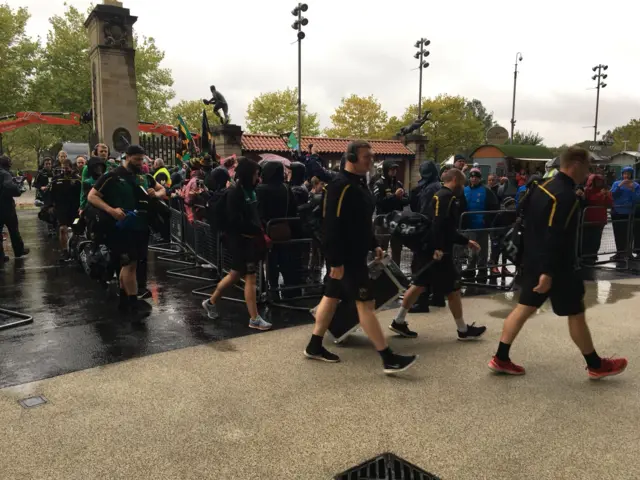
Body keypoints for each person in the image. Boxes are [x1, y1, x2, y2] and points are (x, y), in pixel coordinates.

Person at [488, 147, 627, 378]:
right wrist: (548, 272)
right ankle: (595, 365)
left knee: (524, 309)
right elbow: (555, 234)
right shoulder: (565, 194)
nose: (588, 172)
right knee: (575, 313)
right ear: (576, 164)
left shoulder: (540, 186)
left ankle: (501, 357)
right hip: (557, 267)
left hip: (533, 260)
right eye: (588, 166)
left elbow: (525, 218)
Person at [304, 141, 418, 374]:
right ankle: (388, 358)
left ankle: (314, 345)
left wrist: (374, 244)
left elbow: (362, 223)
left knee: (331, 297)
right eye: (367, 157)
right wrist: (335, 261)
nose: (371, 161)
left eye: (372, 157)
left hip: (353, 255)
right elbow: (331, 227)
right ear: (352, 158)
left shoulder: (359, 184)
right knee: (365, 305)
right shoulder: (340, 185)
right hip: (346, 258)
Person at [391, 168, 487, 340]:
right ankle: (463, 330)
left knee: (419, 285)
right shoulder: (446, 197)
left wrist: (465, 241)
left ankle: (398, 321)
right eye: (463, 182)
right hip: (440, 252)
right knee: (453, 289)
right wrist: (438, 248)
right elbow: (439, 225)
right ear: (456, 179)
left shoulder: (441, 195)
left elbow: (443, 227)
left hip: (432, 249)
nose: (463, 186)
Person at [88, 145, 165, 314]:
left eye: (141, 159)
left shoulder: (144, 176)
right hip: (121, 228)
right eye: (136, 159)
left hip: (141, 226)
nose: (140, 162)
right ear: (127, 157)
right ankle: (133, 302)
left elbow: (162, 189)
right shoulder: (112, 176)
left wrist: (156, 194)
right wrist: (111, 210)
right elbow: (92, 196)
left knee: (131, 264)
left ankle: (124, 300)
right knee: (129, 264)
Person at [202, 158, 273, 331]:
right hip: (241, 241)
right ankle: (254, 318)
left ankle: (210, 302)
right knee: (251, 277)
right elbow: (234, 220)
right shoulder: (236, 193)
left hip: (247, 240)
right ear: (249, 175)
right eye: (256, 174)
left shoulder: (250, 190)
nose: (259, 177)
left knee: (234, 275)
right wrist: (254, 230)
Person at [256, 160, 299, 298]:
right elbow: (293, 209)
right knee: (285, 259)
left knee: (270, 260)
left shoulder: (260, 189)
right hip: (284, 229)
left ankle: (272, 288)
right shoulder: (286, 188)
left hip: (267, 230)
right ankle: (288, 288)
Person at [462, 168, 499, 282]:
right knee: (471, 249)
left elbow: (494, 207)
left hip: (482, 226)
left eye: (476, 177)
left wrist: (486, 221)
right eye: (472, 177)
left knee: (482, 249)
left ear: (479, 178)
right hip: (469, 226)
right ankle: (471, 269)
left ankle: (482, 269)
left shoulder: (486, 191)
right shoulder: (464, 190)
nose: (473, 179)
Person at [373, 160, 409, 265]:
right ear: (385, 170)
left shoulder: (399, 184)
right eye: (391, 169)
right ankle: (381, 273)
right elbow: (378, 202)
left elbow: (407, 200)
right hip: (383, 221)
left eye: (395, 169)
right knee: (381, 248)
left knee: (397, 249)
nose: (394, 171)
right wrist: (395, 196)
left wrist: (400, 198)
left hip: (397, 221)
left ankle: (396, 273)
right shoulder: (379, 184)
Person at [50, 159, 82, 261]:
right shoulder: (56, 180)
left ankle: (76, 250)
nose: (64, 170)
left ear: (71, 168)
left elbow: (82, 195)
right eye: (63, 168)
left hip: (75, 211)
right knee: (62, 229)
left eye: (67, 167)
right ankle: (64, 251)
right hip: (61, 210)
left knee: (76, 229)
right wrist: (52, 206)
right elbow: (51, 194)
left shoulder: (77, 180)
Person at [0, 155, 29, 262]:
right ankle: (19, 250)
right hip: (6, 207)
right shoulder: (5, 174)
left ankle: (1, 255)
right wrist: (18, 189)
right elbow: (9, 187)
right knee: (13, 229)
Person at [609, 166, 640, 259]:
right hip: (617, 211)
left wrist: (633, 190)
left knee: (628, 233)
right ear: (622, 174)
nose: (626, 176)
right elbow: (612, 194)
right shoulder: (616, 183)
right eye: (625, 173)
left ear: (631, 175)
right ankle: (619, 252)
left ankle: (628, 252)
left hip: (629, 212)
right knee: (618, 232)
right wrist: (620, 185)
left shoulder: (636, 185)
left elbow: (637, 199)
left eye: (628, 174)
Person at [581, 173, 612, 265]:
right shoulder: (587, 191)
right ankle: (585, 256)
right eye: (597, 181)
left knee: (596, 239)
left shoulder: (605, 191)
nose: (599, 183)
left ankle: (593, 256)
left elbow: (610, 203)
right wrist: (601, 195)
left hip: (600, 220)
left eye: (600, 181)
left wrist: (606, 196)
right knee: (587, 238)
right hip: (589, 219)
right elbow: (590, 200)